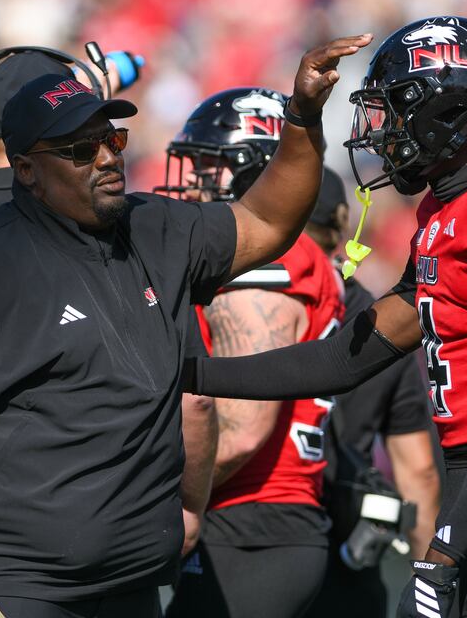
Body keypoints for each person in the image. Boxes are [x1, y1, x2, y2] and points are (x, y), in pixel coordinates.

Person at [0, 35, 373, 618]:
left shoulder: (156, 227)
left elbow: (267, 220)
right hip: (16, 583)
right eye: (79, 149)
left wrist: (301, 115)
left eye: (111, 139)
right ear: (25, 169)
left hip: (131, 582)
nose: (106, 158)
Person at [188, 17, 467, 618]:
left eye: (397, 110)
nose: (384, 130)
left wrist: (447, 549)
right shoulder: (446, 213)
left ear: (448, 112)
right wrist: (191, 373)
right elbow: (343, 358)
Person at [161, 87, 344, 618]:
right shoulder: (286, 254)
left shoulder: (262, 265)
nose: (192, 178)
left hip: (251, 524)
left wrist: (147, 503)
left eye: (208, 165)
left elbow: (242, 428)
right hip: (261, 523)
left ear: (257, 170)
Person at [303, 168, 440, 618]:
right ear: (342, 224)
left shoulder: (244, 302)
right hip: (351, 550)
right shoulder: (383, 321)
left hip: (254, 545)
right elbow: (417, 472)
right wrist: (433, 584)